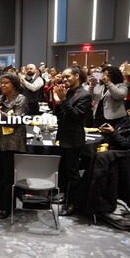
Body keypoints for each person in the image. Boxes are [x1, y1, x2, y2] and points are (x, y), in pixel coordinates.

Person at [53, 66, 92, 216]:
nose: (65, 79)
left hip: (74, 139)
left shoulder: (84, 95)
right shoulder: (68, 92)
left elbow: (76, 116)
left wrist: (63, 100)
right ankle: (67, 197)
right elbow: (60, 115)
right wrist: (58, 103)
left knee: (72, 173)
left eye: (68, 77)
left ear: (77, 76)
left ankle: (73, 204)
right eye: (63, 77)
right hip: (63, 137)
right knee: (63, 172)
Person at [0, 73, 27, 219]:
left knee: (9, 177)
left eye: (6, 83)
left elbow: (17, 120)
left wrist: (0, 113)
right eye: (1, 83)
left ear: (14, 85)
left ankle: (8, 206)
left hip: (13, 142)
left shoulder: (21, 99)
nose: (2, 85)